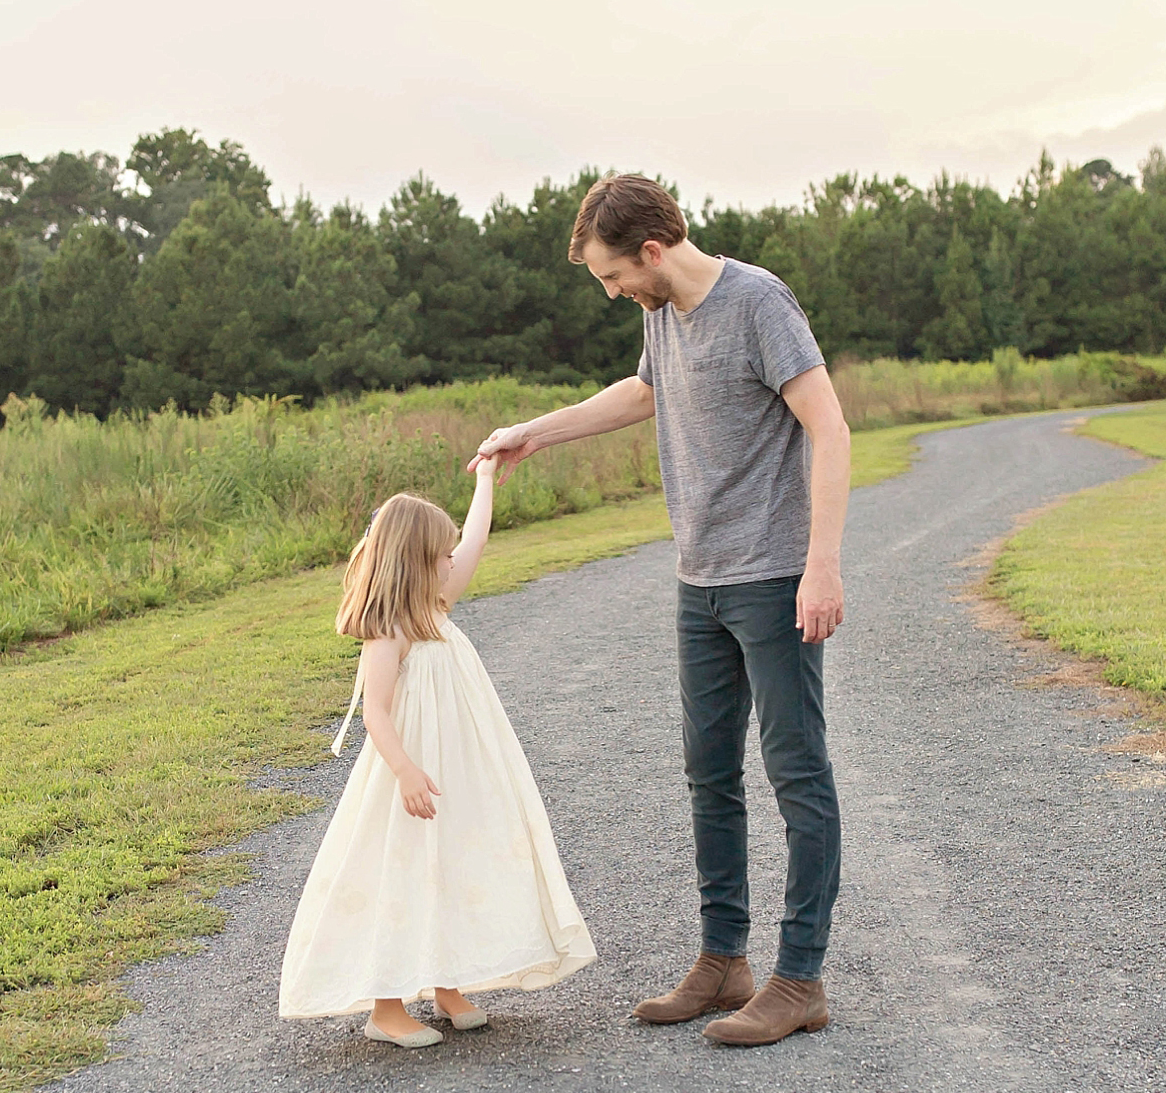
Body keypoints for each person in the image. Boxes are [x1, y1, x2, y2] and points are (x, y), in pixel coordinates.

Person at [469, 174, 849, 1049]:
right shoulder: (661, 314)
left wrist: (821, 565)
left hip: (773, 575)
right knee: (708, 772)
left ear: (650, 250)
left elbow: (828, 427)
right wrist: (537, 430)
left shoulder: (759, 303)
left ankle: (800, 978)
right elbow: (645, 394)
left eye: (611, 276)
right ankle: (725, 960)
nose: (610, 293)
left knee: (797, 772)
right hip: (700, 577)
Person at [278, 458, 596, 1046]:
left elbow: (475, 538)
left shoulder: (435, 606)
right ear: (416, 562)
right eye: (441, 554)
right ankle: (386, 1007)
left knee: (455, 862)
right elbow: (375, 712)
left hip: (456, 771)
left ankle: (446, 983)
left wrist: (484, 481)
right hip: (409, 776)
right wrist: (403, 770)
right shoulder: (390, 629)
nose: (454, 561)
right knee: (395, 874)